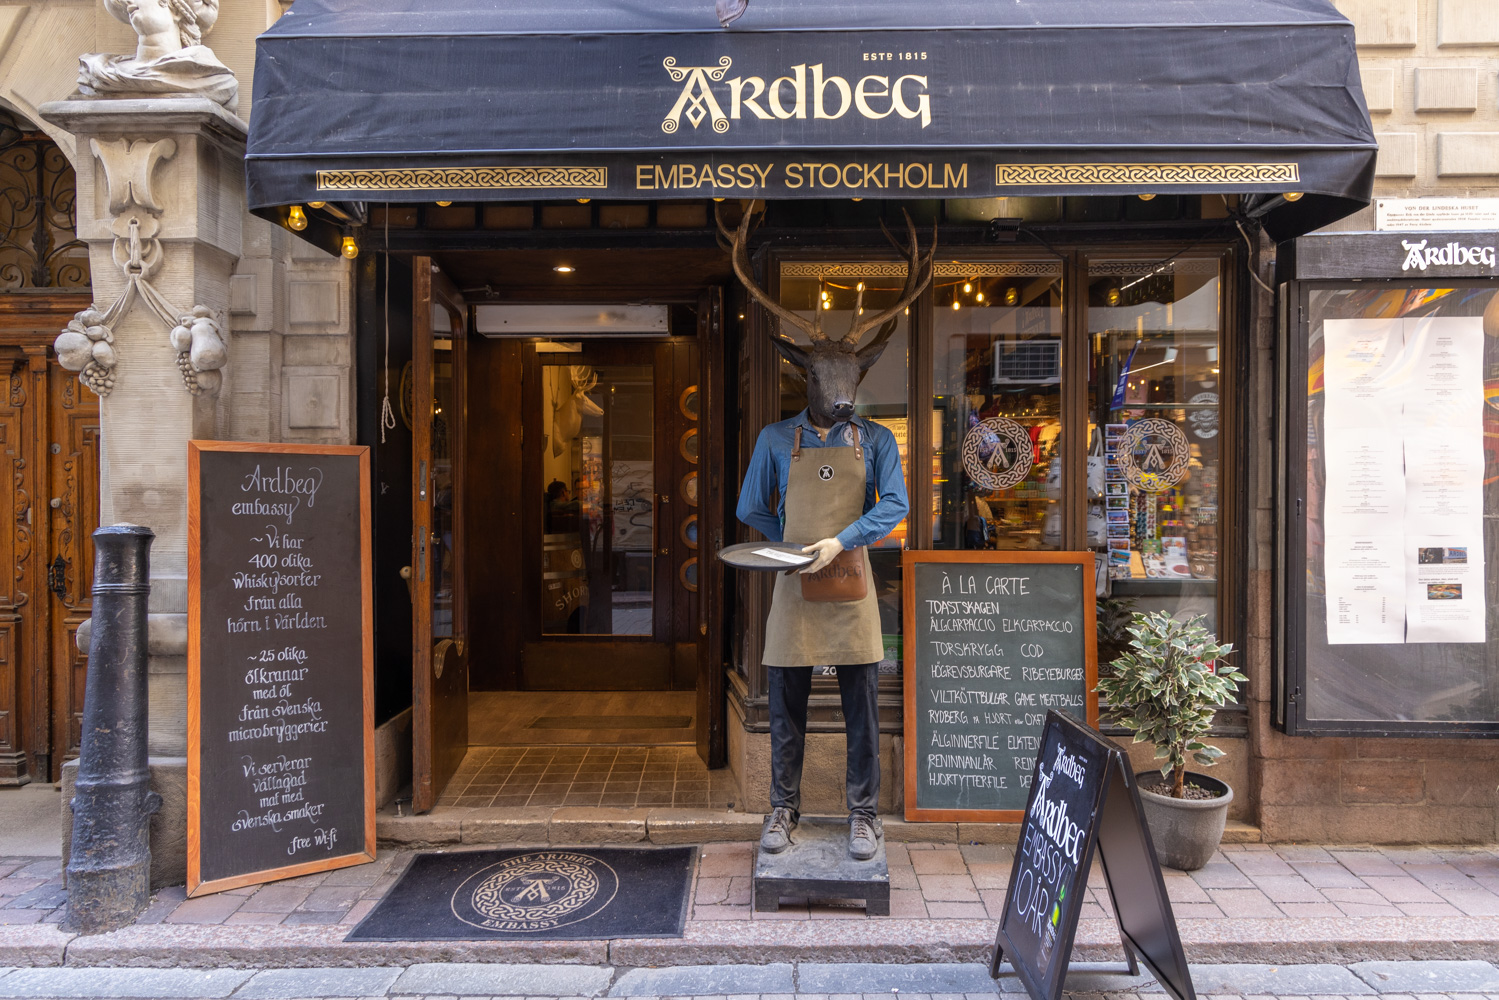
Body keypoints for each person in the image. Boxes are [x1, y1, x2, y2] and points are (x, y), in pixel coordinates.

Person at [737, 407, 908, 861]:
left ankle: (864, 814)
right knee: (785, 707)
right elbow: (748, 506)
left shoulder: (875, 439)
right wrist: (793, 546)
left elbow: (896, 504)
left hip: (852, 588)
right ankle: (782, 808)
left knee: (861, 711)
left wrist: (840, 541)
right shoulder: (774, 437)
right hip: (796, 586)